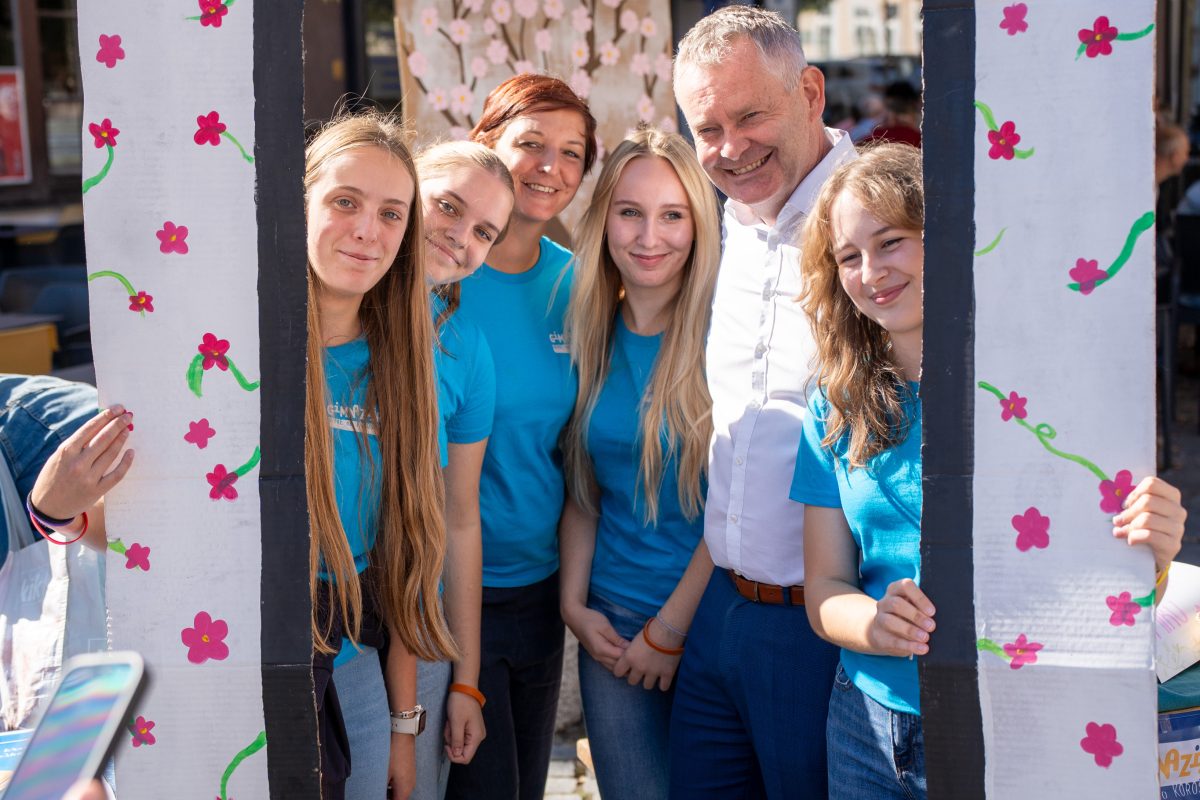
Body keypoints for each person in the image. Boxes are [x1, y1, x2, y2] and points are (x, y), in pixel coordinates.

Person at [791, 143, 1187, 800]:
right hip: (868, 728)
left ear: (945, 234)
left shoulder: (1039, 394)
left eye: (890, 242)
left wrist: (1156, 550)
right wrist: (872, 623)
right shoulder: (834, 405)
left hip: (1013, 718)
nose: (871, 271)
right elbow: (825, 586)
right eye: (848, 256)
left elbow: (1100, 573)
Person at [669, 6, 855, 796]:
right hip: (721, 610)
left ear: (809, 92)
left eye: (750, 116)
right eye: (708, 129)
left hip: (825, 625)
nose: (730, 147)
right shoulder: (734, 221)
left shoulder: (875, 218)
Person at [445, 74, 597, 800]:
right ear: (486, 145)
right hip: (440, 592)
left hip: (538, 591)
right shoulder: (439, 275)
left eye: (571, 153)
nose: (549, 167)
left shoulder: (580, 286)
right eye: (530, 143)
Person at [558, 127, 720, 799]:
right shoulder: (588, 330)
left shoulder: (725, 335)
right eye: (630, 212)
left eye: (672, 215)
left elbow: (740, 507)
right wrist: (574, 607)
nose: (650, 236)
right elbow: (586, 491)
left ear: (699, 224)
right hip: (615, 626)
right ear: (604, 221)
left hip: (712, 622)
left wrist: (670, 629)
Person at [303, 111, 455, 800]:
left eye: (391, 213)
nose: (368, 230)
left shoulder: (403, 365)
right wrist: (57, 514)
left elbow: (406, 565)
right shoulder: (234, 358)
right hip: (254, 658)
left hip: (359, 657)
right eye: (345, 202)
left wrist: (403, 732)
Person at [413, 140, 515, 800]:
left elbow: (459, 518)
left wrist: (467, 680)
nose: (461, 237)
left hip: (413, 628)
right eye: (448, 206)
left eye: (484, 232)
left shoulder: (463, 347)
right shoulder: (319, 309)